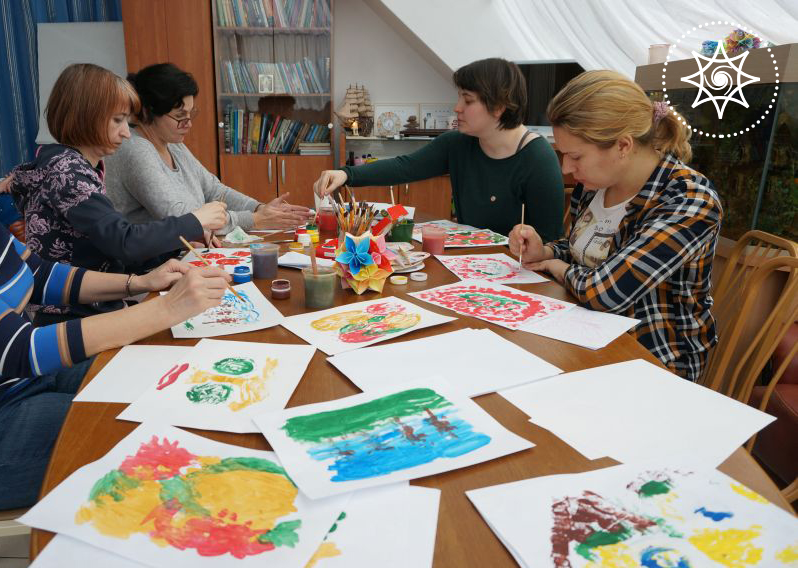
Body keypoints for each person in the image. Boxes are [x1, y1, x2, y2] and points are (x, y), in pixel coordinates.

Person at [0, 31, 230, 511]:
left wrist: (139, 283)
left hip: (13, 388)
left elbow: (35, 273)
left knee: (171, 385)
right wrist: (165, 310)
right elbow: (16, 349)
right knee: (165, 431)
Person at [509, 70, 721, 381]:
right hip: (585, 331)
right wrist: (546, 251)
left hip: (654, 358)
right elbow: (587, 251)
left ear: (622, 145)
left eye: (575, 156)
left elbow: (608, 291)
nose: (566, 168)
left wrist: (557, 267)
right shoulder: (595, 184)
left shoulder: (689, 199)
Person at [11, 63, 230, 324]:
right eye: (118, 120)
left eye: (126, 121)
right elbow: (124, 242)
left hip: (97, 307)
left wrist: (174, 245)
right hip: (70, 319)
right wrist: (195, 220)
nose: (126, 133)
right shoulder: (66, 172)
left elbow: (106, 253)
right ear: (85, 116)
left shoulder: (80, 167)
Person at [313, 58, 565, 241]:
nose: (457, 107)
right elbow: (405, 166)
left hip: (517, 281)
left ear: (499, 107)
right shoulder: (457, 143)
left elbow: (551, 243)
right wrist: (346, 174)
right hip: (468, 269)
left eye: (467, 100)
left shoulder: (538, 158)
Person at [105, 62, 312, 234]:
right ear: (148, 112)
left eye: (190, 114)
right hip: (155, 264)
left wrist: (260, 208)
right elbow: (182, 217)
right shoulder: (136, 150)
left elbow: (213, 189)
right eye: (180, 116)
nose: (188, 124)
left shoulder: (172, 144)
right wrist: (254, 219)